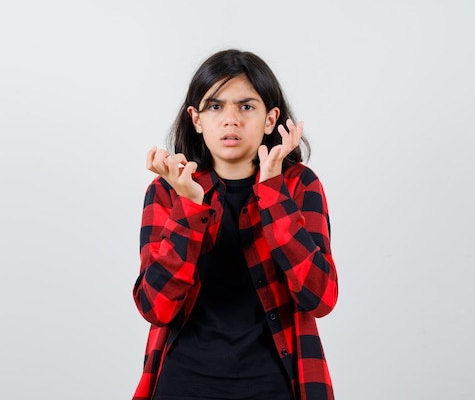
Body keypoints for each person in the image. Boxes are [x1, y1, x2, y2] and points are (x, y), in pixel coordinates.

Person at [132, 49, 338, 400]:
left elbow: (319, 297)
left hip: (274, 386)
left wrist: (273, 193)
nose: (230, 119)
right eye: (215, 106)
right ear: (196, 119)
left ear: (270, 119)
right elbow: (155, 307)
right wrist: (189, 206)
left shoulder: (299, 185)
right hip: (182, 384)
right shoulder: (167, 190)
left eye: (246, 106)